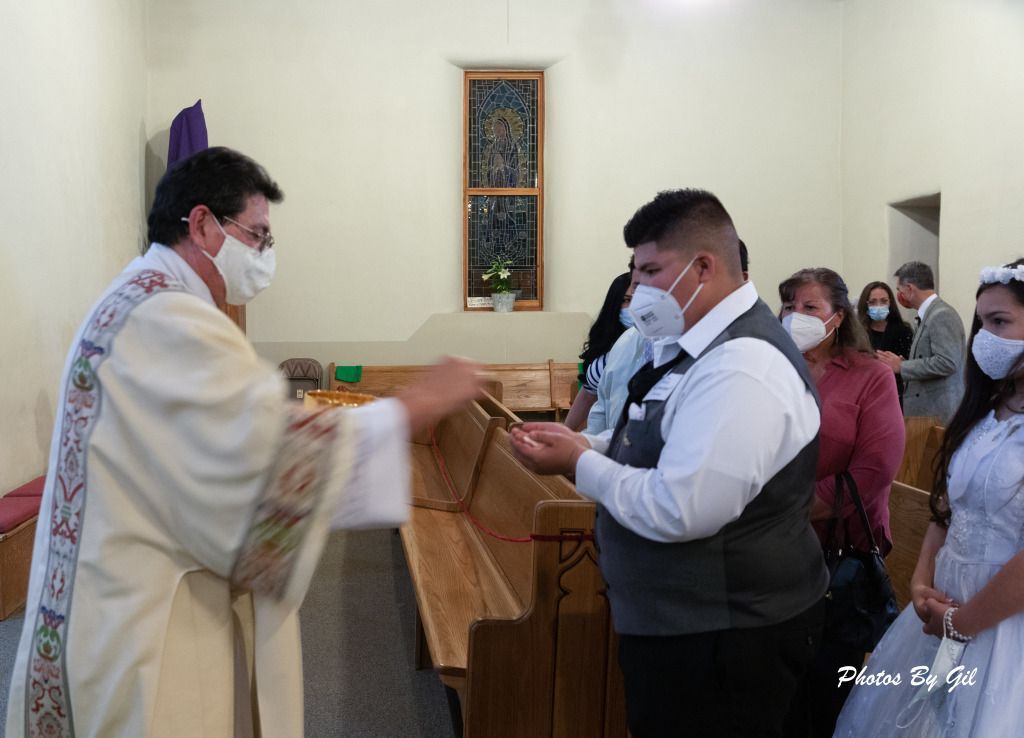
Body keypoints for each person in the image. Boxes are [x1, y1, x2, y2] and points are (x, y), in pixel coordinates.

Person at [4, 147, 483, 738]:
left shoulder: (136, 298)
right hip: (146, 627)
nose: (263, 256)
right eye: (256, 236)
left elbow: (223, 440)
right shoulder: (167, 316)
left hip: (109, 605)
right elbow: (262, 455)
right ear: (203, 224)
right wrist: (414, 406)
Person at [508, 189, 827, 738]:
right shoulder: (693, 343)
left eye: (651, 270)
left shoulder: (742, 363)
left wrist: (579, 463)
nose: (638, 290)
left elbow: (683, 508)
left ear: (703, 267)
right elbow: (663, 443)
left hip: (725, 637)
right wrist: (589, 445)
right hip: (681, 627)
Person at [833, 259, 1024, 738]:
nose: (984, 338)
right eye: (982, 324)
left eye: (1000, 323)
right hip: (944, 606)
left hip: (1001, 622)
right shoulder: (990, 407)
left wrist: (963, 622)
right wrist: (920, 580)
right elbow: (947, 507)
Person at [777, 268, 904, 737]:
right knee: (775, 696)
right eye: (789, 305)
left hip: (836, 554)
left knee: (825, 697)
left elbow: (875, 469)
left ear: (838, 315)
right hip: (768, 557)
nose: (796, 316)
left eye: (809, 307)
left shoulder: (869, 376)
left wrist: (789, 507)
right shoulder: (773, 368)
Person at [877, 262, 965, 422]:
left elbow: (948, 362)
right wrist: (906, 363)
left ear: (910, 289)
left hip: (938, 414)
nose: (899, 295)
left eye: (899, 290)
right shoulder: (927, 314)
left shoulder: (941, 315)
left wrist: (902, 366)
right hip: (926, 414)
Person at [563, 270, 635, 430]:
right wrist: (566, 431)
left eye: (638, 300)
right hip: (606, 432)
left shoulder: (646, 341)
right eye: (626, 300)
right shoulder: (606, 344)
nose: (632, 308)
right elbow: (588, 394)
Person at [857, 280, 914, 404]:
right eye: (873, 302)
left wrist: (902, 365)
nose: (878, 306)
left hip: (894, 395)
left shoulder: (903, 330)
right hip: (863, 394)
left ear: (890, 303)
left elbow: (912, 366)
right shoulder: (857, 332)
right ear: (865, 305)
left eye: (883, 301)